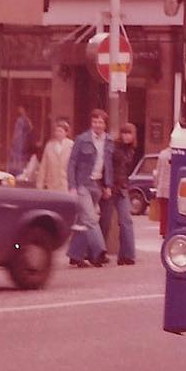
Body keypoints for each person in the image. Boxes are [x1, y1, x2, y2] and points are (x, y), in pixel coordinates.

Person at [66, 109, 112, 268]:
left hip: (97, 185)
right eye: (95, 122)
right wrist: (72, 185)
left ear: (105, 124)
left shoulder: (108, 141)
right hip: (83, 184)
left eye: (100, 122)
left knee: (83, 221)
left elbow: (108, 166)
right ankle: (100, 252)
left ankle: (75, 255)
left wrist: (107, 185)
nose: (97, 125)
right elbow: (72, 163)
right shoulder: (82, 139)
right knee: (91, 219)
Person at [99, 122, 139, 265]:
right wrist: (105, 185)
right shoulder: (113, 147)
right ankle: (96, 253)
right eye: (124, 133)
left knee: (126, 221)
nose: (126, 136)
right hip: (110, 187)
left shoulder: (131, 150)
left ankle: (127, 255)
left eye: (129, 133)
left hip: (122, 188)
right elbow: (106, 167)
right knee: (105, 221)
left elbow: (125, 170)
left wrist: (126, 185)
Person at [154, 139, 173, 238]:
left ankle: (163, 231)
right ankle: (169, 230)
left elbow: (158, 172)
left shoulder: (162, 154)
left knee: (164, 212)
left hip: (162, 188)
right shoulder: (179, 154)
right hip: (172, 189)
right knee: (171, 212)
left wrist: (156, 185)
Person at [8, 106, 33, 176]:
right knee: (16, 156)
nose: (19, 110)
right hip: (19, 141)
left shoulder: (24, 120)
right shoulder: (22, 119)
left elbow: (29, 128)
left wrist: (16, 138)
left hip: (21, 141)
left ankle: (19, 172)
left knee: (19, 157)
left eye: (21, 109)